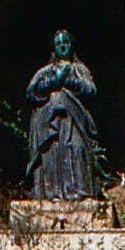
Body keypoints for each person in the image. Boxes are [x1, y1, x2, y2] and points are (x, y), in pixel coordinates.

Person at [24, 29, 103, 200]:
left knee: (77, 147)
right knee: (51, 152)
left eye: (66, 42)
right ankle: (50, 192)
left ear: (72, 45)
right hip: (48, 122)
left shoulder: (79, 69)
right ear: (54, 48)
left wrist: (68, 81)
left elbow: (91, 90)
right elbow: (31, 92)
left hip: (74, 118)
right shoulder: (46, 71)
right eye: (59, 43)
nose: (63, 46)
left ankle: (79, 191)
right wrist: (55, 81)